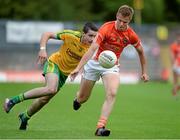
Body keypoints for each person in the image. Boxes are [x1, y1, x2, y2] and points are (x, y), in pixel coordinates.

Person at [70, 5, 149, 136]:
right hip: (94, 63)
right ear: (116, 16)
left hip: (111, 66)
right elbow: (91, 49)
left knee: (112, 93)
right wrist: (78, 68)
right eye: (120, 20)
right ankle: (77, 99)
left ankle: (100, 127)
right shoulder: (106, 28)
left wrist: (144, 72)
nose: (122, 24)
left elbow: (141, 52)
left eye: (125, 22)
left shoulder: (131, 35)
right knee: (83, 98)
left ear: (129, 21)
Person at [3, 22, 98, 130]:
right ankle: (12, 101)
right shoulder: (71, 35)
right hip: (54, 64)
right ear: (83, 34)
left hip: (64, 74)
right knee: (51, 89)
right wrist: (42, 50)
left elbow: (87, 63)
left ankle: (24, 117)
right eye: (90, 35)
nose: (92, 39)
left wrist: (78, 71)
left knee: (44, 100)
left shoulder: (93, 48)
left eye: (95, 36)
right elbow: (47, 34)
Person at [170, 32, 180, 97]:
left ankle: (174, 90)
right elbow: (172, 56)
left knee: (175, 81)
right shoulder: (173, 46)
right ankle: (175, 92)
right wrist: (174, 63)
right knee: (175, 80)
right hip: (176, 65)